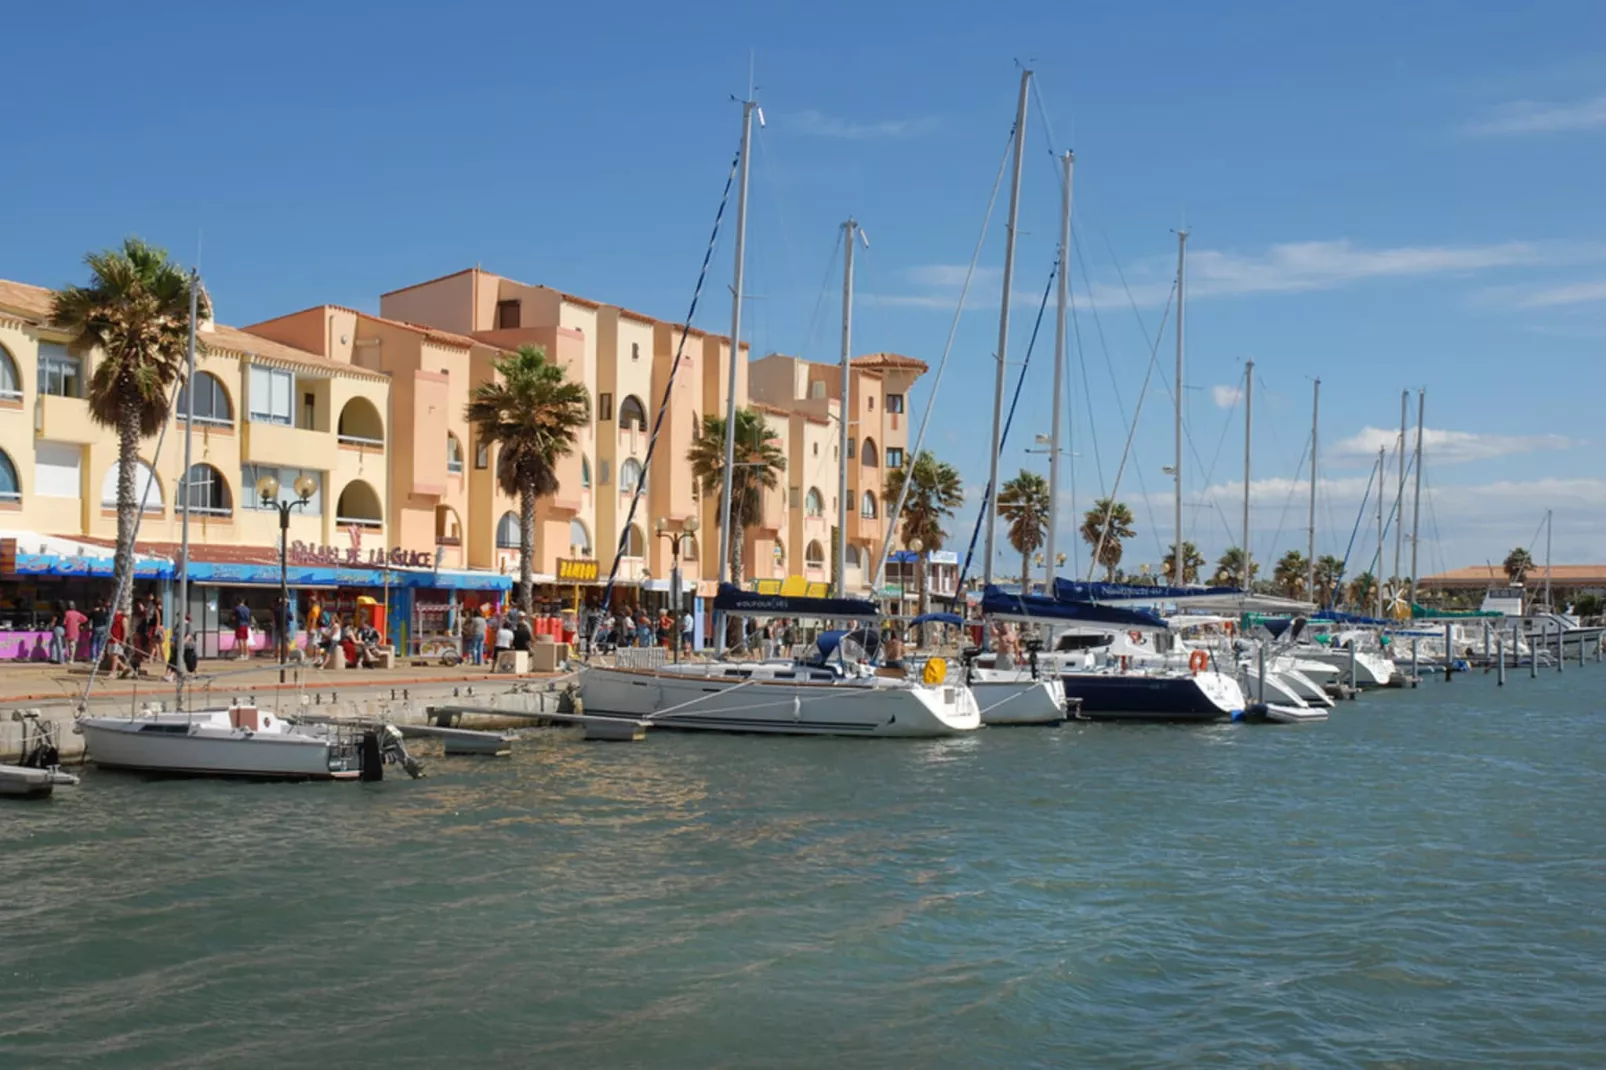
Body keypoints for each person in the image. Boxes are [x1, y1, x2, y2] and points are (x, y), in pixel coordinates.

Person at [89, 600, 109, 665]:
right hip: (103, 627)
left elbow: (88, 619)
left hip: (96, 627)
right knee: (100, 644)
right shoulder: (103, 612)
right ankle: (99, 657)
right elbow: (106, 619)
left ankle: (93, 658)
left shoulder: (93, 612)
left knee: (94, 643)